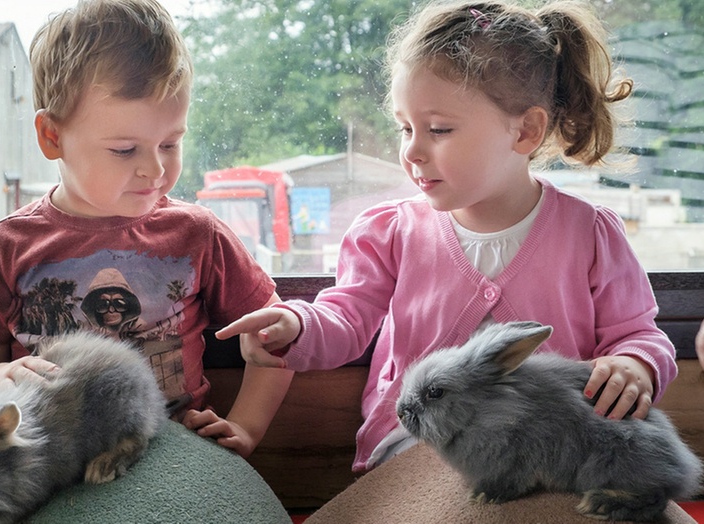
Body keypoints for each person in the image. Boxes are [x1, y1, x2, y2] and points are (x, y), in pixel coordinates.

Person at [217, 0, 677, 472]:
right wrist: (295, 327)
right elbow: (346, 318)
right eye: (405, 128)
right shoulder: (389, 233)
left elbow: (639, 334)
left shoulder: (592, 235)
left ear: (526, 131)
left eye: (438, 129)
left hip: (550, 450)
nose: (412, 150)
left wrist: (635, 365)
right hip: (415, 444)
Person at [0, 0, 292, 459]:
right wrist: (2, 378)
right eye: (125, 149)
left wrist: (246, 427)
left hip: (171, 454)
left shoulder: (198, 234)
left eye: (170, 143)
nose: (156, 169)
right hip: (52, 459)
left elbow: (277, 337)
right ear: (52, 137)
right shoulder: (7, 244)